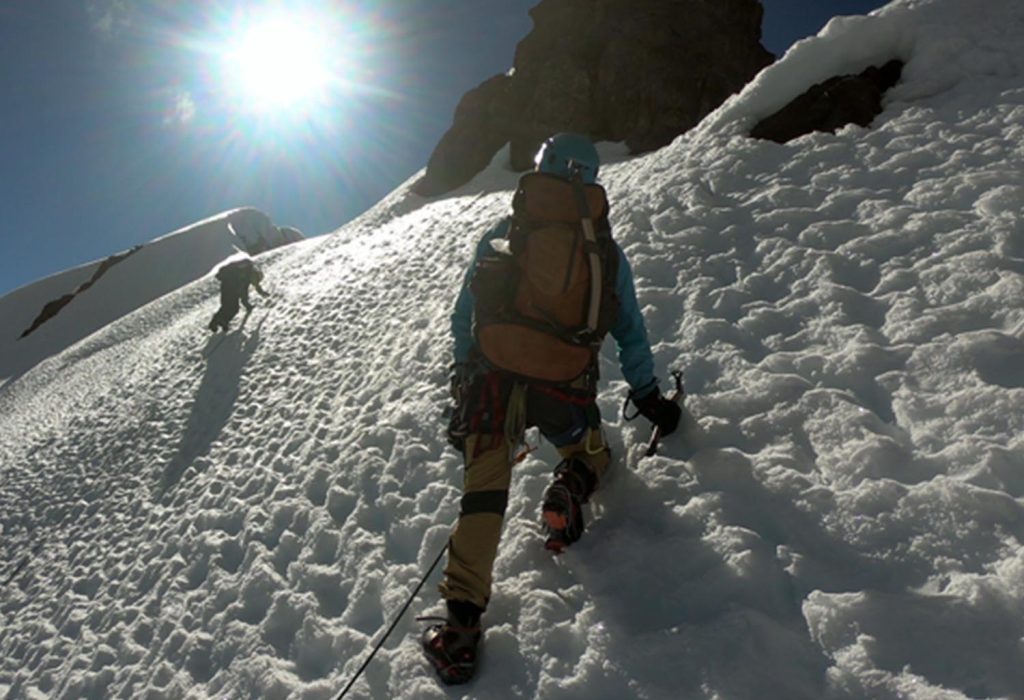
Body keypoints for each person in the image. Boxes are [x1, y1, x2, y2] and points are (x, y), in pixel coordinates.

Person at [422, 133, 682, 684]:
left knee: (484, 492)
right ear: (589, 180)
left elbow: (465, 314)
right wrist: (648, 397)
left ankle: (461, 629)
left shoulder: (505, 234)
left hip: (494, 379)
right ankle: (574, 478)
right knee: (594, 454)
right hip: (564, 383)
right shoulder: (604, 252)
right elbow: (628, 330)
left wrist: (465, 380)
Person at [208, 257, 269, 332]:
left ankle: (219, 322)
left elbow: (249, 289)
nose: (256, 282)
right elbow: (243, 292)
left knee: (228, 306)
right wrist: (247, 304)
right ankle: (219, 322)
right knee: (232, 307)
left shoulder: (248, 273)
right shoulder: (246, 277)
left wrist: (260, 293)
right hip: (230, 287)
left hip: (227, 286)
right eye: (257, 280)